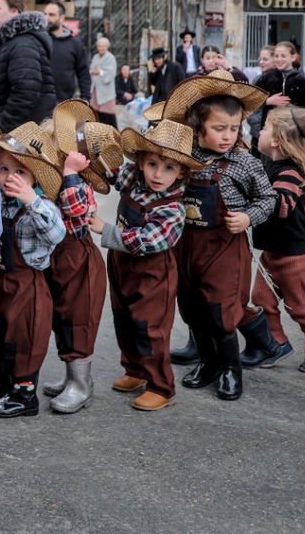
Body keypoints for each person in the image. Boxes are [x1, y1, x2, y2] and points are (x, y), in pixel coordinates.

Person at [156, 71, 274, 401]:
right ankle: (207, 363)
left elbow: (268, 198)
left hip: (225, 249)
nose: (228, 136)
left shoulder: (244, 162)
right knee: (192, 308)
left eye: (234, 129)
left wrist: (248, 217)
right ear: (197, 128)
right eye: (219, 128)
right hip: (185, 246)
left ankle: (230, 370)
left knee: (220, 311)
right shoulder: (183, 159)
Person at [96, 120, 202, 412]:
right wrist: (92, 153)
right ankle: (135, 370)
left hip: (152, 271)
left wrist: (105, 229)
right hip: (121, 263)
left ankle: (161, 386)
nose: (158, 174)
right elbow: (111, 170)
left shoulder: (173, 207)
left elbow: (149, 241)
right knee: (125, 319)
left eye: (169, 168)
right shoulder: (134, 178)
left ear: (181, 172)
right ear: (141, 162)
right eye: (152, 164)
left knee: (150, 327)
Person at [0, 121, 66, 419]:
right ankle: (1, 382)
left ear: (35, 176)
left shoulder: (41, 205)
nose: (10, 178)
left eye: (21, 173)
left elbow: (57, 233)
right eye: (4, 169)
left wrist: (31, 200)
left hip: (26, 287)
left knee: (24, 340)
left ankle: (24, 395)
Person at [45, 102, 117, 414]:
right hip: (57, 255)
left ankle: (81, 385)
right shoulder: (55, 180)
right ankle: (70, 377)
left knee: (78, 319)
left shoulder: (78, 182)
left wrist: (71, 173)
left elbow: (75, 210)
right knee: (61, 317)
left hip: (78, 256)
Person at [250, 107, 305, 373]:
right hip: (272, 251)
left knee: (298, 306)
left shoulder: (290, 172)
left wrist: (254, 201)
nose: (259, 132)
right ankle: (277, 343)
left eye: (264, 128)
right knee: (261, 299)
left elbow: (282, 204)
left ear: (277, 140)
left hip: (293, 256)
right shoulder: (271, 164)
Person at [0, 0, 56, 130]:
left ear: (14, 11)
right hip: (18, 132)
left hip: (21, 135)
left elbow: (25, 93)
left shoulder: (22, 43)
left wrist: (3, 129)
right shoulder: (8, 43)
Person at [44, 1, 91, 104]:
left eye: (51, 15)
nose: (46, 18)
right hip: (39, 103)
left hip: (64, 102)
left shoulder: (75, 44)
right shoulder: (39, 41)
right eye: (45, 14)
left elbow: (83, 72)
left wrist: (85, 98)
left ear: (61, 18)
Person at [89, 36, 119, 125]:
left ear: (107, 47)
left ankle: (112, 131)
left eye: (103, 46)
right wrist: (93, 71)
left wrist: (100, 72)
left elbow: (111, 73)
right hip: (96, 90)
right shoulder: (95, 57)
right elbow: (91, 69)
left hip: (106, 91)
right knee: (95, 113)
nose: (101, 48)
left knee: (108, 113)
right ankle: (97, 130)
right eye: (99, 46)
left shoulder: (111, 58)